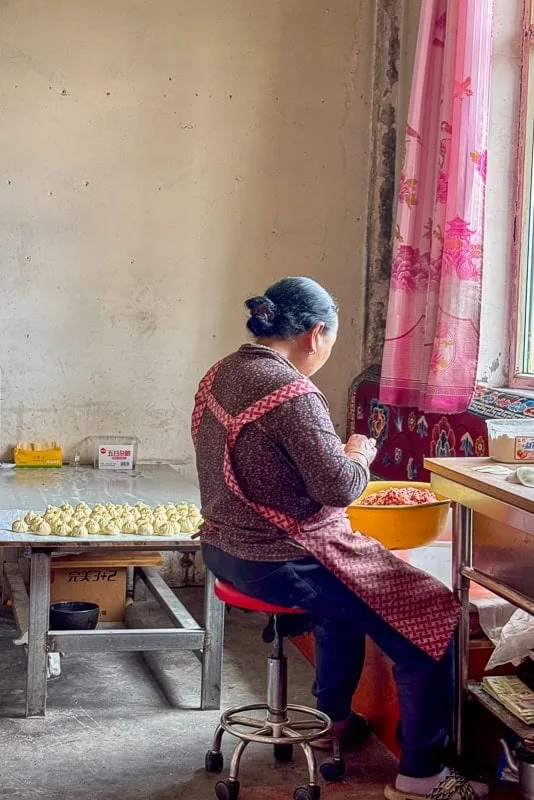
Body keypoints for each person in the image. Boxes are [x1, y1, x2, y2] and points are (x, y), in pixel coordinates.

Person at [192, 277, 487, 800]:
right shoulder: (291, 393)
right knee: (432, 617)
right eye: (328, 341)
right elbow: (341, 486)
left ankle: (334, 718)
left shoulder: (223, 372)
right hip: (282, 559)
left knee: (342, 606)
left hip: (224, 549)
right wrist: (359, 453)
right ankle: (423, 776)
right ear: (315, 333)